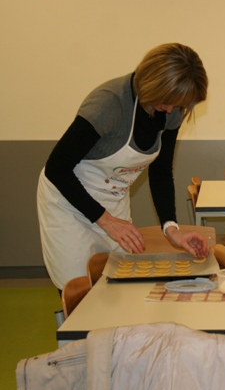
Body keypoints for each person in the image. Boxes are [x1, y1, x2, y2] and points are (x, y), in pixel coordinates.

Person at [37, 43, 210, 291]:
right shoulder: (109, 104)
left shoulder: (172, 110)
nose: (171, 110)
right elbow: (57, 168)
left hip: (113, 202)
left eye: (178, 105)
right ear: (152, 85)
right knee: (80, 288)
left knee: (117, 286)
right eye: (166, 101)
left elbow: (161, 173)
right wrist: (106, 221)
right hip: (69, 203)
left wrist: (171, 228)